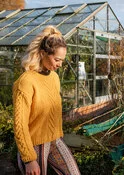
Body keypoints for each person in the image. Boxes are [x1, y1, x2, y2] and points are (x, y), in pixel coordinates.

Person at [13, 25, 80, 175]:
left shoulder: (54, 78)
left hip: (56, 140)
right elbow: (20, 124)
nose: (60, 64)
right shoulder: (26, 81)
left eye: (62, 60)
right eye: (57, 59)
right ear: (43, 53)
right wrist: (29, 159)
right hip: (34, 145)